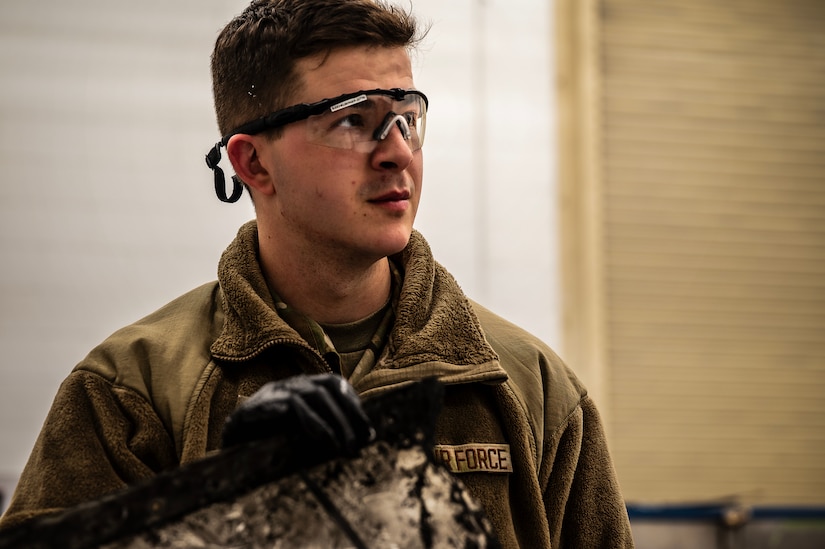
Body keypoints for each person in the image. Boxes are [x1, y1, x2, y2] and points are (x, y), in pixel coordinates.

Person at [0, 0, 634, 547]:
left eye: (407, 116)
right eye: (354, 120)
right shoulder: (129, 392)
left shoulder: (527, 389)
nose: (397, 154)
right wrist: (223, 493)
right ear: (254, 163)